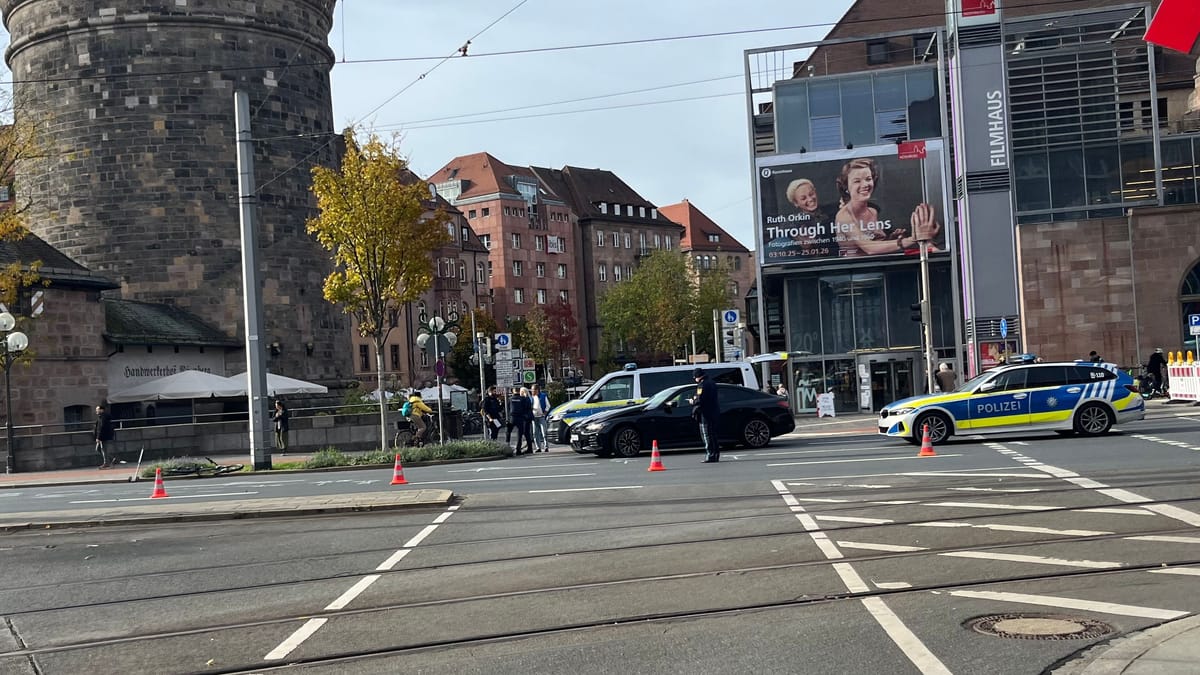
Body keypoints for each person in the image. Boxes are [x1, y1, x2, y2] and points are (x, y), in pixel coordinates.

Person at [833, 158, 941, 258]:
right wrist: (913, 239)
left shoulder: (872, 212)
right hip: (857, 271)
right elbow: (870, 248)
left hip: (879, 264)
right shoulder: (843, 216)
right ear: (846, 187)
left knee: (932, 249)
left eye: (868, 179)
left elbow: (878, 244)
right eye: (857, 181)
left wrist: (892, 238)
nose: (865, 184)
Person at [691, 369, 721, 463]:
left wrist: (693, 401)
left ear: (698, 376)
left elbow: (700, 399)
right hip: (714, 412)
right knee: (713, 435)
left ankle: (710, 454)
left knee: (707, 434)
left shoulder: (702, 385)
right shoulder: (712, 383)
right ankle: (715, 454)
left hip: (705, 413)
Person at [507, 387, 534, 454]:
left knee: (508, 432)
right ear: (519, 391)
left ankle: (507, 446)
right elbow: (527, 408)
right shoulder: (523, 399)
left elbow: (507, 408)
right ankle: (518, 450)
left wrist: (507, 418)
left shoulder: (510, 399)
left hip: (512, 418)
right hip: (520, 418)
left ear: (513, 391)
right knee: (519, 435)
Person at [530, 384, 551, 452]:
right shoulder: (531, 397)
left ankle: (546, 447)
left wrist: (545, 413)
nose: (532, 392)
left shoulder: (543, 396)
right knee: (535, 433)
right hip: (534, 417)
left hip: (541, 417)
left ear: (537, 390)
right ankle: (538, 447)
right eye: (532, 390)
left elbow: (548, 405)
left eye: (533, 390)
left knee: (544, 432)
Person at [94, 404, 115, 468]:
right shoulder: (100, 416)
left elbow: (102, 427)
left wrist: (98, 437)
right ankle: (111, 459)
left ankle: (106, 463)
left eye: (97, 409)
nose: (96, 411)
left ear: (101, 410)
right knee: (98, 449)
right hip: (101, 436)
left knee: (103, 449)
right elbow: (98, 427)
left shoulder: (104, 417)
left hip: (103, 436)